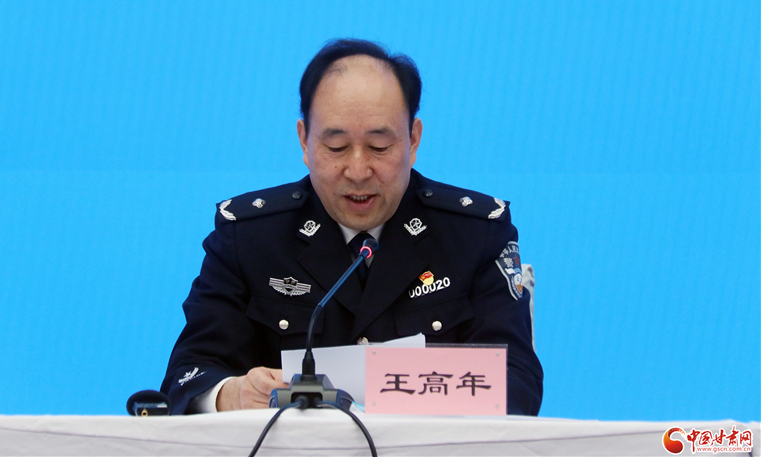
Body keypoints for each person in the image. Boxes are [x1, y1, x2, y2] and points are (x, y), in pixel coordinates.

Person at [161, 39, 543, 415]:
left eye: (379, 147)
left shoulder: (475, 235)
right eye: (337, 147)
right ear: (304, 142)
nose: (358, 171)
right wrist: (231, 395)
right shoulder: (249, 238)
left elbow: (517, 385)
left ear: (413, 140)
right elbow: (187, 375)